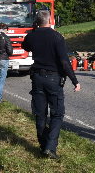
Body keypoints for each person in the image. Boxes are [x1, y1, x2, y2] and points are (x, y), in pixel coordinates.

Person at [22, 10, 80, 159]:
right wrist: (75, 80)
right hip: (53, 78)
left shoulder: (32, 35)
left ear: (37, 21)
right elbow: (64, 62)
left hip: (37, 78)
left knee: (40, 113)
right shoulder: (57, 37)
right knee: (57, 113)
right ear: (50, 20)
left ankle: (43, 144)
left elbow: (25, 46)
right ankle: (50, 147)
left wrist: (35, 31)